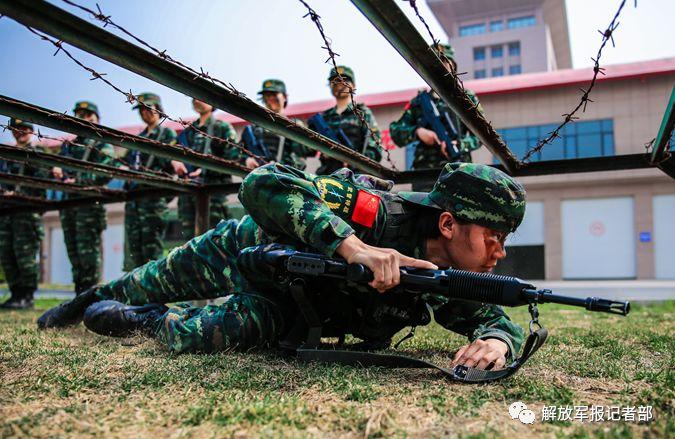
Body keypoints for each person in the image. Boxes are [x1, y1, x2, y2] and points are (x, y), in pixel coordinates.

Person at [38, 162, 526, 371]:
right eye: (494, 238)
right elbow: (264, 183)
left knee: (199, 337)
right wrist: (354, 248)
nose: (498, 253)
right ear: (446, 224)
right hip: (244, 250)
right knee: (141, 282)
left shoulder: (444, 282)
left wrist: (496, 340)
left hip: (286, 306)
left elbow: (493, 317)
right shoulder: (371, 211)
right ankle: (86, 301)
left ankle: (138, 320)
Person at [390, 44, 481, 190]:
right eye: (436, 63)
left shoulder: (466, 98)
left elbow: (481, 135)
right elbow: (396, 131)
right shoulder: (420, 102)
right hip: (426, 175)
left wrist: (460, 144)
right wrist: (418, 132)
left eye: (445, 62)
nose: (441, 68)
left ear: (453, 67)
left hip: (459, 172)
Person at [52, 101, 117, 295]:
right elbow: (59, 167)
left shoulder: (102, 143)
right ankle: (78, 293)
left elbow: (106, 171)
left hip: (89, 204)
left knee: (89, 252)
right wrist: (57, 171)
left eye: (89, 115)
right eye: (81, 115)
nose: (85, 118)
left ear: (97, 118)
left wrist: (76, 179)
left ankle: (90, 294)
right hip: (69, 204)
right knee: (73, 251)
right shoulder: (70, 145)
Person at [123, 93, 180, 270]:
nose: (144, 113)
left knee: (152, 248)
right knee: (135, 248)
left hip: (154, 198)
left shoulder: (165, 133)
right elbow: (127, 162)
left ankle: (153, 293)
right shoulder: (139, 137)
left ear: (158, 109)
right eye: (140, 109)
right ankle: (137, 292)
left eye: (147, 108)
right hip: (135, 198)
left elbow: (169, 162)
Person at [175, 98, 238, 240]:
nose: (198, 101)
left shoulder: (221, 128)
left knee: (214, 240)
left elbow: (233, 157)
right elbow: (173, 152)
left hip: (212, 193)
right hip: (188, 194)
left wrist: (206, 170)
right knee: (189, 242)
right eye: (195, 98)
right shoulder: (188, 132)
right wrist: (176, 162)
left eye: (203, 98)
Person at [0, 119, 46, 309]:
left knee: (25, 255)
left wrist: (19, 194)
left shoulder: (38, 154)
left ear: (31, 130)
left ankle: (27, 296)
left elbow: (42, 182)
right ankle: (15, 294)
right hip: (7, 213)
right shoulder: (7, 156)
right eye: (15, 129)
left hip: (27, 213)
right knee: (7, 254)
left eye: (24, 128)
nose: (19, 132)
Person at [309, 66, 382, 175]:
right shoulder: (324, 117)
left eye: (344, 80)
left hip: (356, 175)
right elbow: (308, 149)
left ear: (353, 85)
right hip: (328, 174)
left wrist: (355, 160)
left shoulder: (362, 112)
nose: (339, 84)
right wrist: (324, 149)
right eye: (335, 81)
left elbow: (374, 147)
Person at [241, 79, 315, 171]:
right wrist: (246, 160)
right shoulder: (252, 130)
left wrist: (279, 167)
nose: (270, 98)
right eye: (267, 95)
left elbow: (303, 155)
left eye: (274, 94)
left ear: (284, 97)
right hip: (259, 180)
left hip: (288, 179)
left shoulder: (294, 125)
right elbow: (237, 152)